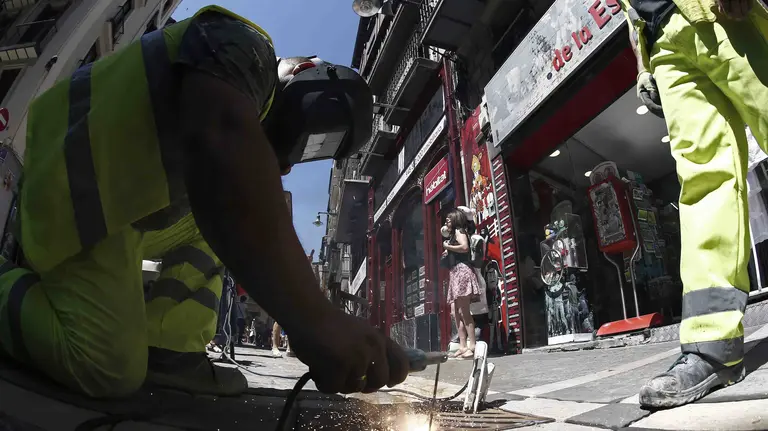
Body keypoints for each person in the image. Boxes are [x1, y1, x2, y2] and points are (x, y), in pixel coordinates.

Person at [0, 5, 409, 399]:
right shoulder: (242, 44)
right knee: (104, 366)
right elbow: (223, 141)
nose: (291, 162)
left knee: (227, 210)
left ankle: (170, 352)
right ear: (304, 71)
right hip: (70, 191)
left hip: (114, 207)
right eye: (313, 136)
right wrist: (316, 320)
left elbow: (233, 188)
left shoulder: (245, 112)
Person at [618, 0, 768, 408]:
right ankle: (712, 346)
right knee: (703, 181)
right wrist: (644, 66)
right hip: (662, 43)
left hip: (716, 10)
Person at [442, 209, 482, 360]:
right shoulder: (454, 235)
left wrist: (448, 247)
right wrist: (449, 252)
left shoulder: (459, 231)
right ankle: (462, 345)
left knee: (464, 312)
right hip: (455, 273)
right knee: (456, 312)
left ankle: (472, 345)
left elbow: (465, 247)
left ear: (455, 219)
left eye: (448, 220)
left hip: (462, 272)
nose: (446, 222)